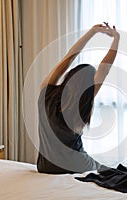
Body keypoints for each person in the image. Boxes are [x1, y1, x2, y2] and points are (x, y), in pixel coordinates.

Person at [37, 22, 120, 174]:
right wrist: (116, 39)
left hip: (45, 167)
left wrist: (92, 32)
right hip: (76, 165)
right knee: (113, 172)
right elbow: (104, 69)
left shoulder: (46, 94)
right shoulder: (82, 102)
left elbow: (68, 59)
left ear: (69, 77)